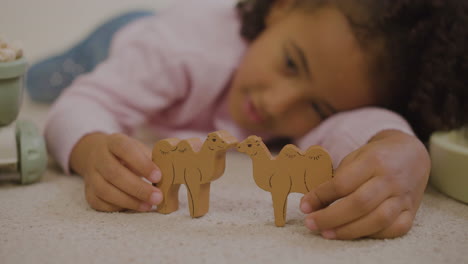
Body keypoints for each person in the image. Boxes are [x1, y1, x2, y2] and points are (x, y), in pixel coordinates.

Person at [37, 0, 468, 240]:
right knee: (42, 79)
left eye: (319, 108)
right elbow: (84, 102)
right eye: (291, 63)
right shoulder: (181, 51)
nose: (279, 105)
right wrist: (91, 148)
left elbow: (356, 126)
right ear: (282, 7)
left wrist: (398, 144)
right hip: (125, 36)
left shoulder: (334, 86)